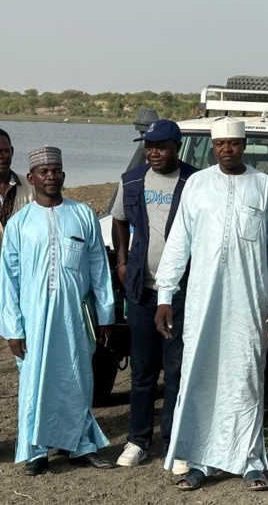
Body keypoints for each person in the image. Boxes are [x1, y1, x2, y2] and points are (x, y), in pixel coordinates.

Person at [155, 117, 268, 492]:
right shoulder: (197, 185)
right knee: (200, 377)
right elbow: (179, 242)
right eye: (221, 144)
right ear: (214, 147)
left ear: (244, 146)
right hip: (202, 304)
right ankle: (199, 462)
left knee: (246, 379)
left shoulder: (263, 186)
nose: (228, 149)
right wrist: (165, 295)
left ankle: (251, 461)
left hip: (249, 303)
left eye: (234, 143)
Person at [0, 146, 116, 475]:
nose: (51, 175)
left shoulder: (82, 215)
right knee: (34, 381)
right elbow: (7, 279)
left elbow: (98, 267)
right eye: (44, 171)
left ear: (63, 175)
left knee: (77, 379)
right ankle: (36, 451)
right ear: (32, 177)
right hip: (33, 318)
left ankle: (81, 446)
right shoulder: (20, 223)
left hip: (75, 316)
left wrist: (106, 313)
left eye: (56, 170)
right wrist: (12, 328)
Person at [110, 119, 197, 471]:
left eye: (161, 146)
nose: (153, 152)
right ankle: (137, 440)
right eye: (149, 146)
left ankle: (174, 441)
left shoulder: (195, 181)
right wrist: (121, 260)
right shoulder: (131, 180)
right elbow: (118, 220)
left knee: (177, 369)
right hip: (142, 292)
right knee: (143, 370)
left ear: (177, 146)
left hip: (180, 291)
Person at [0, 128, 34, 245]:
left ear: (12, 151)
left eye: (5, 151)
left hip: (20, 259)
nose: (1, 156)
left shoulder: (29, 186)